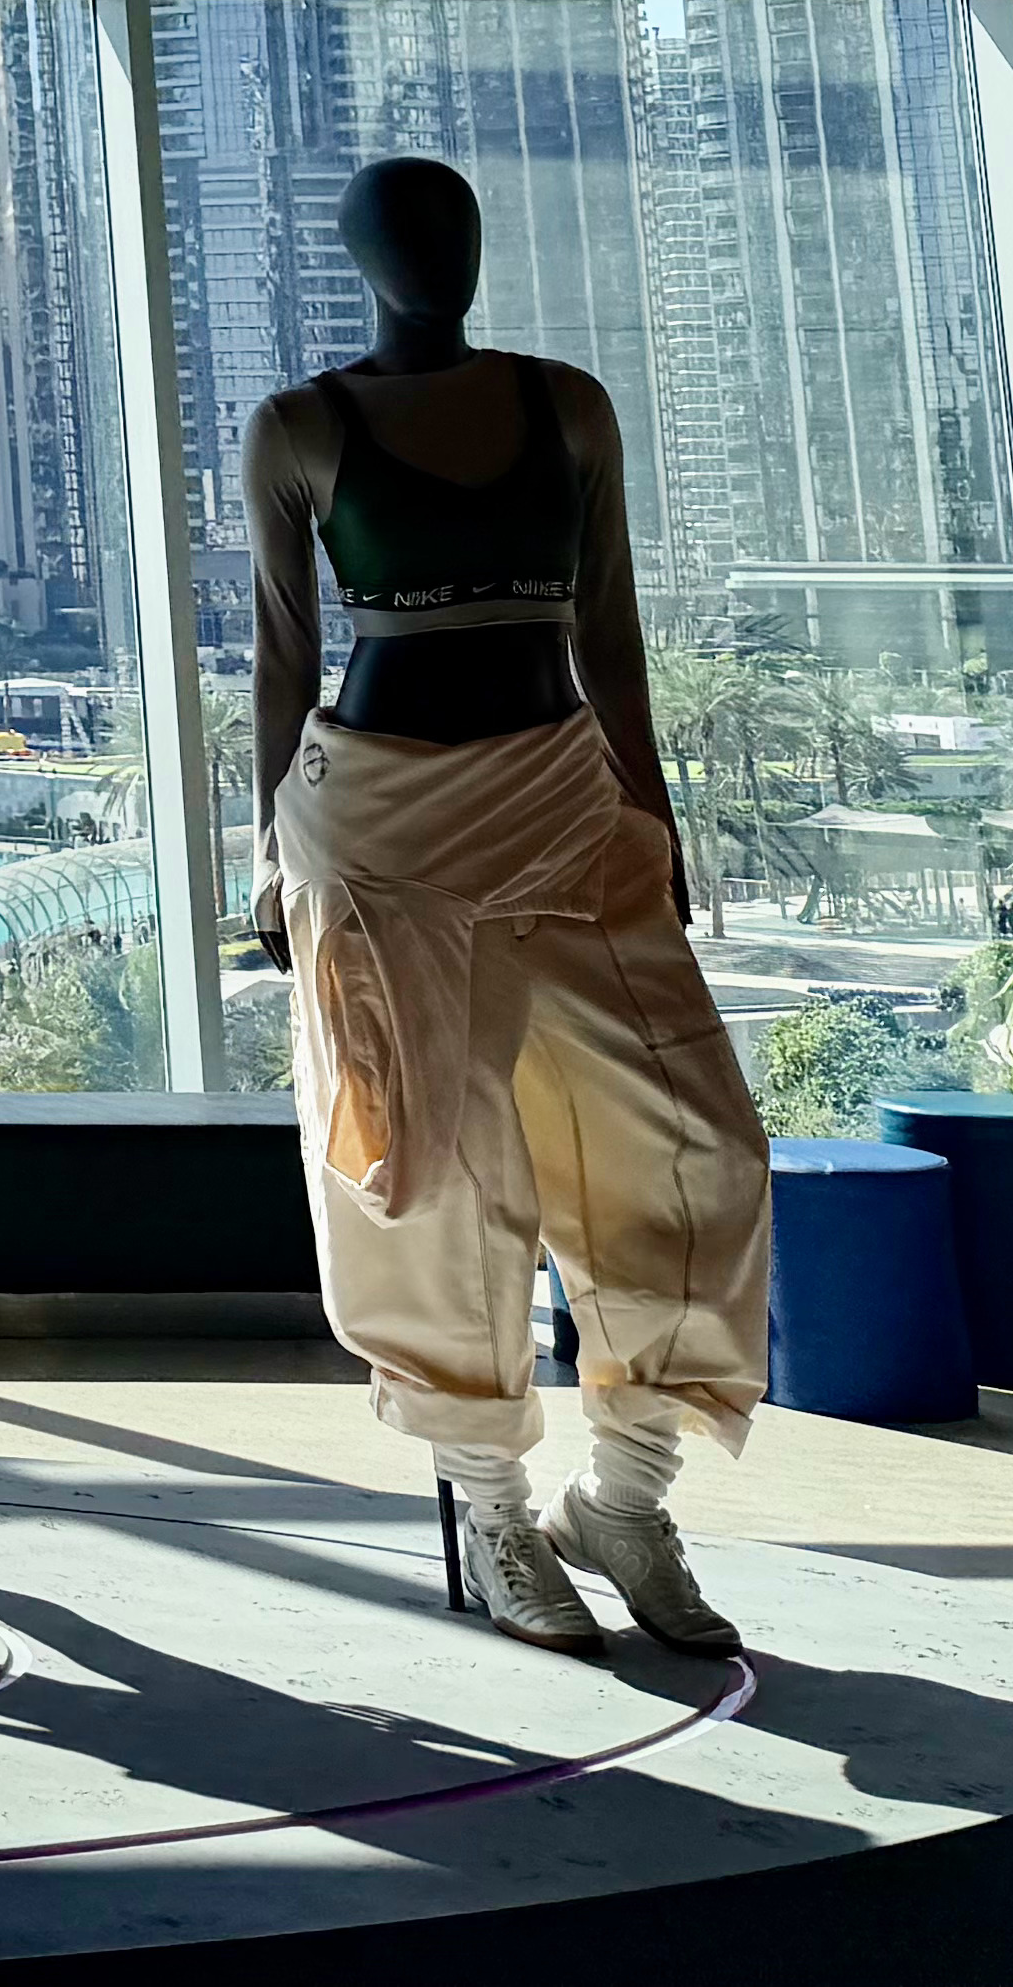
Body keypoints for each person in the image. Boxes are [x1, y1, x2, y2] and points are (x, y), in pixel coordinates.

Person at [252, 153, 765, 1656]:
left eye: (456, 227)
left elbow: (610, 626)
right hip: (380, 824)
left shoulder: (569, 405)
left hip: (563, 798)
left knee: (697, 1145)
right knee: (432, 1171)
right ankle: (492, 1508)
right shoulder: (302, 426)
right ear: (359, 259)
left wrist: (652, 807)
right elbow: (283, 653)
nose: (439, 255)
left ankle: (626, 1494)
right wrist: (266, 850)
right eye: (406, 234)